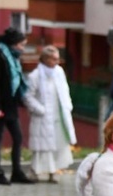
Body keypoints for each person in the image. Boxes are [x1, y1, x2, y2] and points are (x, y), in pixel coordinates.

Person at [0, 27, 33, 185]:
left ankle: (16, 172)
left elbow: (15, 81)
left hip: (10, 104)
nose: (22, 48)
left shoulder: (13, 58)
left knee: (17, 137)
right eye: (21, 45)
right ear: (13, 43)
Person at [24, 45, 77, 183]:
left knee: (58, 144)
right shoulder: (35, 75)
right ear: (46, 59)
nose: (57, 62)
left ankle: (54, 172)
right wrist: (40, 109)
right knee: (42, 148)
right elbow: (28, 96)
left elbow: (65, 90)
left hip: (58, 115)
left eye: (57, 58)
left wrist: (68, 105)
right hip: (42, 117)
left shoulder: (59, 72)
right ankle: (35, 171)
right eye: (54, 59)